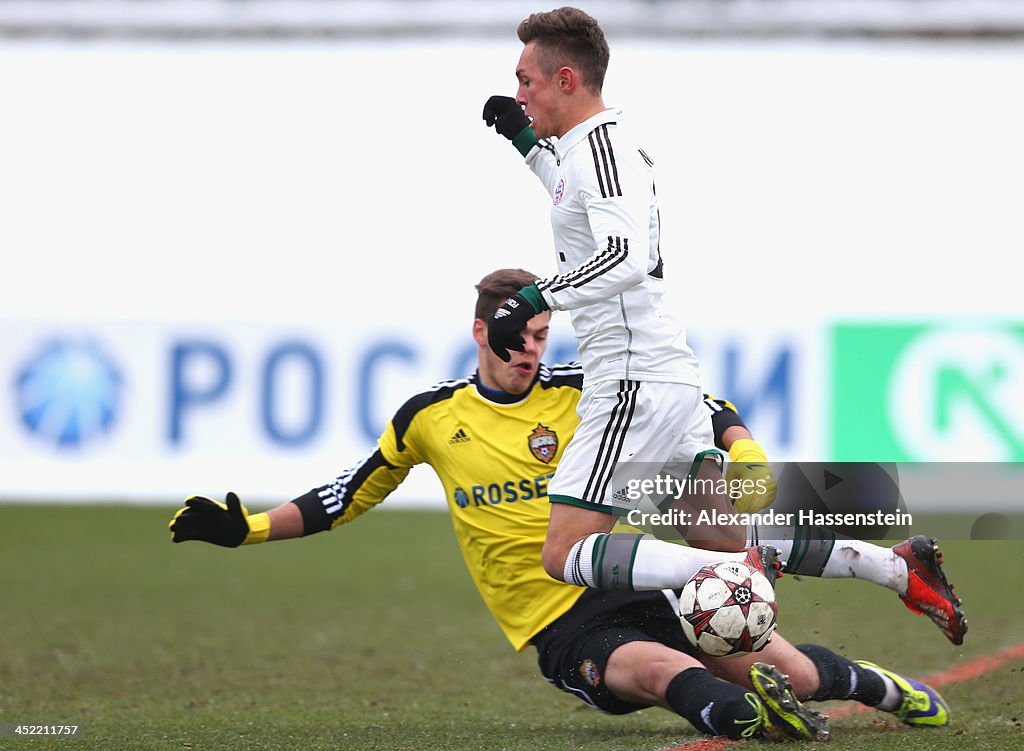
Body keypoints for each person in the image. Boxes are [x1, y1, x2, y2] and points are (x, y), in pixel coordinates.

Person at [170, 269, 951, 741]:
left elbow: (698, 402)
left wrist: (741, 443)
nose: (533, 353)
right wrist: (249, 529)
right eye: (519, 340)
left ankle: (880, 686)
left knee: (785, 664)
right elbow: (347, 493)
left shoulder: (584, 389)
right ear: (480, 332)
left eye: (543, 336)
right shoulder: (430, 418)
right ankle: (752, 719)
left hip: (631, 570)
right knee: (658, 669)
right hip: (556, 618)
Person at [481, 6, 760, 596]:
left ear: (565, 80)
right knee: (720, 534)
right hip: (662, 374)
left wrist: (534, 297)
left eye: (525, 80)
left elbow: (623, 255)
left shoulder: (601, 151)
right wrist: (525, 141)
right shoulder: (584, 151)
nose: (518, 91)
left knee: (564, 553)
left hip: (631, 381)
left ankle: (731, 581)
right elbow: (569, 191)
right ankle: (887, 565)